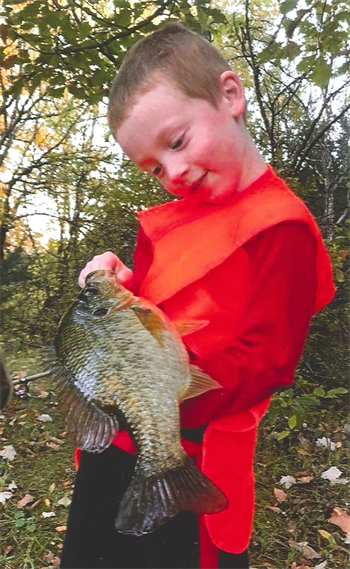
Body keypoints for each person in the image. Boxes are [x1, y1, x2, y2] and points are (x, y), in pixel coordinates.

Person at [59, 23, 335, 569]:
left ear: (230, 96)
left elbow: (264, 362)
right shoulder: (177, 218)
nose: (175, 172)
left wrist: (152, 400)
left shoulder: (280, 228)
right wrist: (120, 282)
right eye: (155, 168)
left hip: (191, 454)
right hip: (120, 439)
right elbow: (159, 308)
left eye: (178, 142)